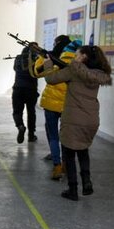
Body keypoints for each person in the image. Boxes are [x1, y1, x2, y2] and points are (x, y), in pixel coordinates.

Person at [44, 45, 112, 200]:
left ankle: (73, 190)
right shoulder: (98, 74)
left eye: (77, 54)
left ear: (84, 57)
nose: (75, 56)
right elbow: (82, 82)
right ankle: (87, 182)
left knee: (68, 154)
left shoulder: (74, 70)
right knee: (83, 150)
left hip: (73, 118)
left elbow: (50, 79)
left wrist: (48, 64)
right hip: (91, 119)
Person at [33, 35, 77, 179]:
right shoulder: (77, 61)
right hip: (68, 105)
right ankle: (65, 164)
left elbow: (37, 72)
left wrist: (42, 58)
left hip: (51, 103)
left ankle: (57, 165)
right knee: (65, 137)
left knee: (53, 135)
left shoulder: (53, 58)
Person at [12, 45, 39, 143]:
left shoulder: (18, 58)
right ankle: (31, 135)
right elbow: (38, 73)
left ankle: (20, 126)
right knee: (31, 112)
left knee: (17, 111)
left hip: (18, 88)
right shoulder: (36, 59)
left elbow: (15, 69)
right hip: (31, 89)